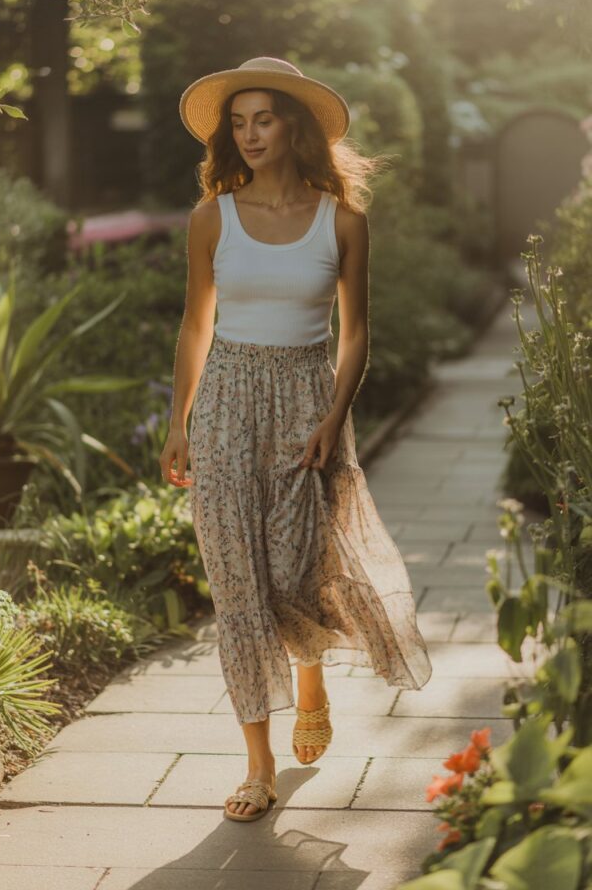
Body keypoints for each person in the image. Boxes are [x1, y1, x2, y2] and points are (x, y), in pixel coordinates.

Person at [160, 56, 432, 823]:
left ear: (294, 127)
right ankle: (258, 763)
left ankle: (310, 672)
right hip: (225, 406)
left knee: (297, 568)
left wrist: (332, 418)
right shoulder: (211, 216)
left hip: (309, 404)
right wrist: (179, 423)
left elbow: (356, 334)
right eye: (237, 123)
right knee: (237, 586)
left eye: (263, 119)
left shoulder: (341, 220)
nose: (248, 134)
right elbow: (195, 322)